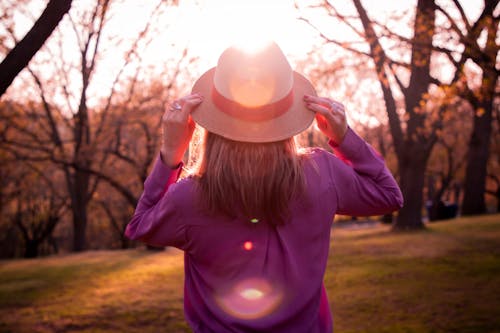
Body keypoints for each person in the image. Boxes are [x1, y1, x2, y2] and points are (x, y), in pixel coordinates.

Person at [125, 42, 403, 333]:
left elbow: (140, 227)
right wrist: (344, 138)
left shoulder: (190, 198)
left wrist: (171, 153)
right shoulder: (323, 173)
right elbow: (389, 196)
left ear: (214, 124)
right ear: (286, 115)